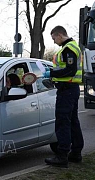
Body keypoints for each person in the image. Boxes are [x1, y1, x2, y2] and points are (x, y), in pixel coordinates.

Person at [44, 26, 84, 168]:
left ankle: (62, 156)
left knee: (63, 122)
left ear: (60, 35)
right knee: (73, 121)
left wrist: (52, 74)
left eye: (54, 38)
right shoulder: (71, 47)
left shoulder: (68, 49)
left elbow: (70, 70)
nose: (54, 42)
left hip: (66, 91)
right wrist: (52, 72)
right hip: (71, 89)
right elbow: (66, 68)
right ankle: (76, 153)